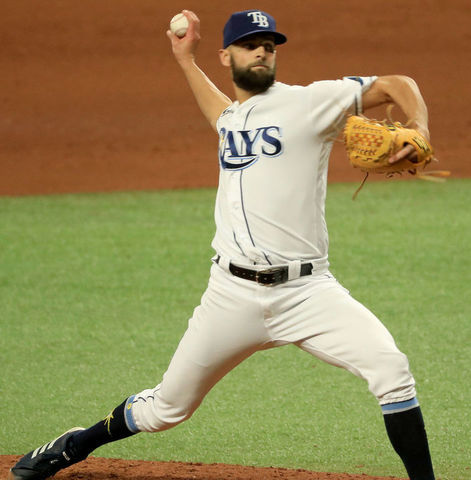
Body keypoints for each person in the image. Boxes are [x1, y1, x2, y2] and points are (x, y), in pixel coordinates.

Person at [9, 9, 436, 480]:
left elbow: (399, 82)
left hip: (309, 293)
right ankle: (76, 444)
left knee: (392, 371)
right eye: (251, 44)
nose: (262, 51)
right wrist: (184, 60)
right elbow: (220, 114)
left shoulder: (312, 101)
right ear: (226, 55)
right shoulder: (233, 119)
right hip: (230, 296)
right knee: (165, 410)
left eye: (269, 45)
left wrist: (419, 126)